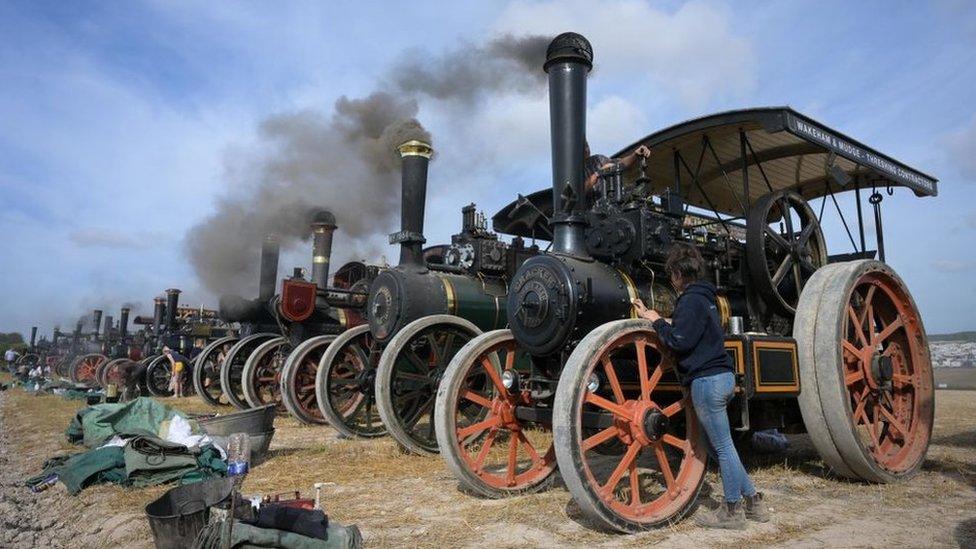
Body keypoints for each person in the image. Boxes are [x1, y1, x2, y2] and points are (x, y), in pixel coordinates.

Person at [632, 243, 769, 529]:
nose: (672, 280)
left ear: (680, 274)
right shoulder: (706, 298)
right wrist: (654, 316)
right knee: (724, 446)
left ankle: (732, 511)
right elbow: (690, 331)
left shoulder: (689, 301)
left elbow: (679, 340)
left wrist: (657, 322)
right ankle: (754, 502)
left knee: (723, 447)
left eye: (672, 275)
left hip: (706, 383)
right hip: (722, 377)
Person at [584, 141, 651, 196]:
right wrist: (597, 174)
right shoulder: (574, 172)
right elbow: (578, 191)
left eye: (586, 145)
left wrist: (635, 155)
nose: (586, 148)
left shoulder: (598, 159)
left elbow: (620, 164)